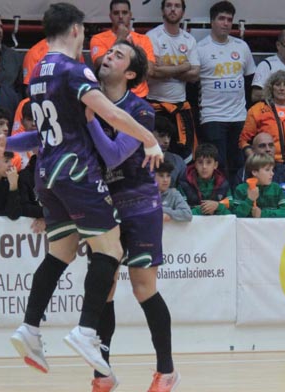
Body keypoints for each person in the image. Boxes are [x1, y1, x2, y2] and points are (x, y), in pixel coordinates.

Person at [0, 2, 162, 378]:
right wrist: (149, 138)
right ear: (76, 30)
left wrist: (10, 143)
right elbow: (111, 113)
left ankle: (29, 326)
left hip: (46, 175)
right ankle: (87, 329)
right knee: (110, 249)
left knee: (61, 252)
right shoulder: (75, 70)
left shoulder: (37, 71)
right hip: (75, 171)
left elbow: (43, 133)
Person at [85, 40, 180, 391]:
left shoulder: (140, 111)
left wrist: (91, 119)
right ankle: (102, 372)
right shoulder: (87, 98)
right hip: (102, 205)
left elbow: (113, 157)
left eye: (118, 55)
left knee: (143, 288)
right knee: (103, 289)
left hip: (139, 204)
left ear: (129, 73)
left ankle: (166, 370)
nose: (108, 56)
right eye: (108, 52)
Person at [196, 0, 256, 181]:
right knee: (218, 165)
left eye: (229, 20)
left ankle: (238, 201)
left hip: (238, 116)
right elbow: (193, 85)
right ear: (212, 21)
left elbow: (249, 80)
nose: (226, 23)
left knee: (239, 163)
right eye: (221, 19)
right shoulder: (200, 48)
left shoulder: (241, 46)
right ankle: (220, 201)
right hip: (212, 116)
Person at [146, 0, 200, 160]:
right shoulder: (152, 36)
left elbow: (195, 74)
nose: (173, 9)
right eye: (169, 5)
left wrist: (166, 68)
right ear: (162, 10)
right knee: (153, 154)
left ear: (183, 12)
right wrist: (183, 67)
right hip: (156, 105)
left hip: (180, 106)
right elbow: (153, 72)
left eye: (177, 6)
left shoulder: (189, 39)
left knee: (182, 156)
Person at [239, 70, 285, 164]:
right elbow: (243, 141)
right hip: (268, 164)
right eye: (277, 84)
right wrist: (255, 160)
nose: (281, 88)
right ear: (271, 88)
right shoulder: (257, 110)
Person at [90, 0, 156, 98]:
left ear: (130, 15)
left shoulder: (143, 39)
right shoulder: (98, 38)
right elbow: (99, 64)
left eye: (124, 13)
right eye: (116, 13)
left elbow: (149, 70)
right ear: (110, 16)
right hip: (111, 97)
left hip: (139, 96)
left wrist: (116, 69)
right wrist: (120, 39)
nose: (120, 16)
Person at [230, 153, 285, 218]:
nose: (272, 173)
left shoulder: (276, 188)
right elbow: (235, 216)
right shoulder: (241, 189)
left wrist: (262, 213)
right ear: (254, 172)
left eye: (272, 170)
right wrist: (249, 200)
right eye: (267, 170)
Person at [178, 143, 232, 215]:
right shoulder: (184, 184)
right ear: (195, 165)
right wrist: (203, 209)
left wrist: (218, 207)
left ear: (215, 165)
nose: (204, 166)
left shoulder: (224, 185)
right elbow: (180, 213)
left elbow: (233, 214)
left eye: (208, 162)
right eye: (200, 162)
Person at [154, 116, 186, 187]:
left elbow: (184, 189)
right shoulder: (138, 160)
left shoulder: (178, 161)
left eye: (169, 136)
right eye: (161, 136)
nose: (166, 141)